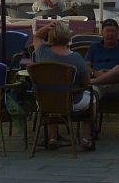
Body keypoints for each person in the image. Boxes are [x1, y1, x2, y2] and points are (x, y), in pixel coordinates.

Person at [31, 20, 95, 150]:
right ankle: (85, 138)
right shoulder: (76, 58)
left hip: (44, 102)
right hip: (71, 102)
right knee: (92, 97)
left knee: (52, 93)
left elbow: (37, 36)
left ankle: (52, 137)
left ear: (51, 35)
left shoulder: (42, 52)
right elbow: (86, 83)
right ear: (69, 37)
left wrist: (46, 27)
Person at [85, 18, 119, 101]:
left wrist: (111, 74)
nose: (110, 34)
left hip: (117, 82)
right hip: (98, 82)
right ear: (102, 33)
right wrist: (95, 73)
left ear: (118, 33)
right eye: (107, 31)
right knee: (92, 95)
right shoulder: (94, 47)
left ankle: (92, 82)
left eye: (113, 31)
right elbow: (86, 65)